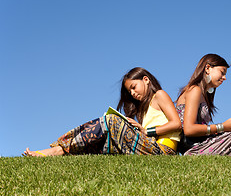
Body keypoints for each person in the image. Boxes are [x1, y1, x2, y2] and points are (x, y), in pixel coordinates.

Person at [24, 67, 182, 157]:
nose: (133, 93)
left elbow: (176, 124)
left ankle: (59, 149)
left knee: (112, 121)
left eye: (134, 87)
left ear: (146, 80)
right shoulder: (143, 109)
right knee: (103, 139)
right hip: (149, 146)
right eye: (129, 91)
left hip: (163, 151)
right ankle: (61, 151)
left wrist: (146, 131)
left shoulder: (159, 95)